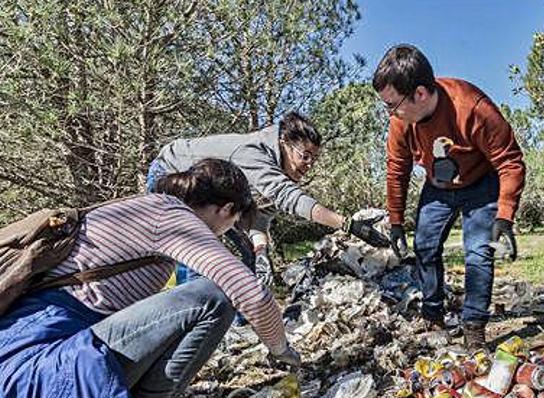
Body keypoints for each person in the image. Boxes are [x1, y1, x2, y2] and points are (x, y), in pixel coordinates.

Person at [0, 159, 300, 398]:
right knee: (214, 298)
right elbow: (249, 292)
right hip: (42, 363)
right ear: (227, 209)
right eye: (232, 223)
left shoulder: (140, 209)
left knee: (191, 299)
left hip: (23, 352)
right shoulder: (171, 216)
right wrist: (283, 351)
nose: (226, 233)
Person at [372, 44, 526, 351]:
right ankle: (433, 315)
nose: (391, 113)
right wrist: (396, 221)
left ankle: (473, 327)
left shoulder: (473, 107)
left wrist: (505, 214)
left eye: (393, 105)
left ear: (419, 94)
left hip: (482, 184)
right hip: (437, 187)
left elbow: (510, 162)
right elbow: (397, 169)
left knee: (479, 253)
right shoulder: (401, 122)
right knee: (425, 247)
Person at [149, 111, 390, 288]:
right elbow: (290, 198)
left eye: (313, 159)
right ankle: (192, 321)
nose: (308, 165)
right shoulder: (254, 154)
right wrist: (348, 225)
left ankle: (245, 322)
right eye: (304, 156)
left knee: (250, 256)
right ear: (284, 142)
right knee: (193, 253)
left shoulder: (279, 171)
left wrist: (261, 251)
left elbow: (259, 217)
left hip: (217, 195)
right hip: (173, 175)